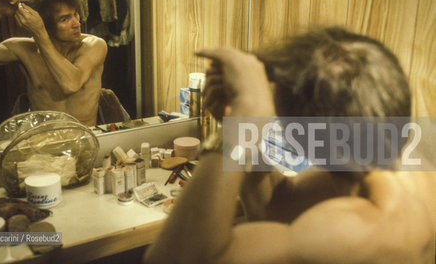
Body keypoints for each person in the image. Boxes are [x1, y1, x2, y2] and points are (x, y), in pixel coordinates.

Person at [144, 27, 436, 263]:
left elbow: (174, 257)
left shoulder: (345, 234)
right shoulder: (402, 174)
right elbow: (274, 203)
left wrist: (241, 128)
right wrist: (235, 122)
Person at [0, 0, 107, 127]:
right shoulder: (24, 49)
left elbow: (71, 84)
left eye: (76, 15)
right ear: (45, 25)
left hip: (85, 140)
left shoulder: (93, 45)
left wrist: (40, 33)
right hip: (42, 143)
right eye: (65, 19)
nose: (76, 24)